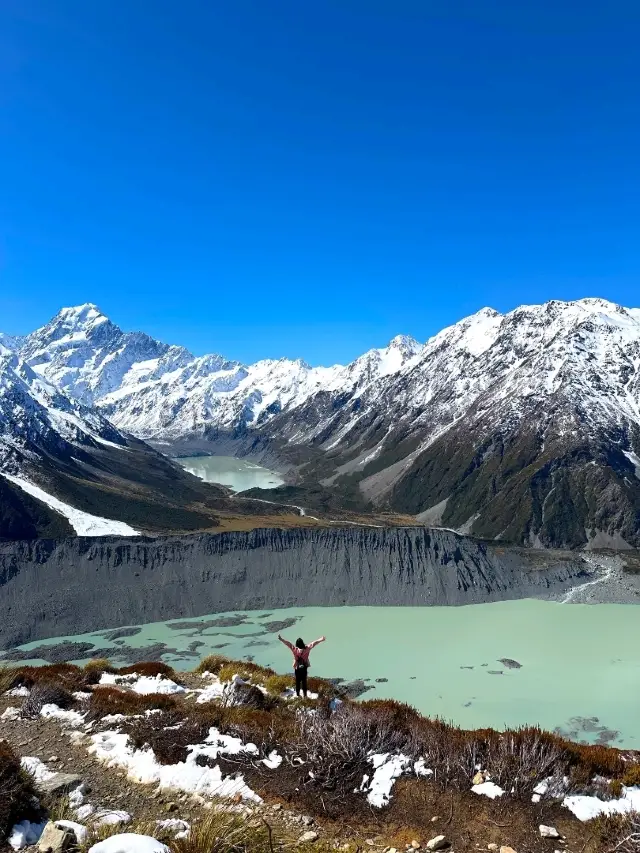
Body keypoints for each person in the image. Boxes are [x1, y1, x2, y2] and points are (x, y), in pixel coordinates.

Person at [278, 634, 326, 698]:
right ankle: (305, 695)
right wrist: (321, 639)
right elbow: (314, 643)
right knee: (304, 682)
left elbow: (288, 644)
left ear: (297, 644)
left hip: (297, 668)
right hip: (304, 668)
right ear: (303, 643)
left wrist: (281, 639)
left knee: (297, 682)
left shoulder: (294, 649)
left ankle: (298, 694)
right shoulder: (307, 649)